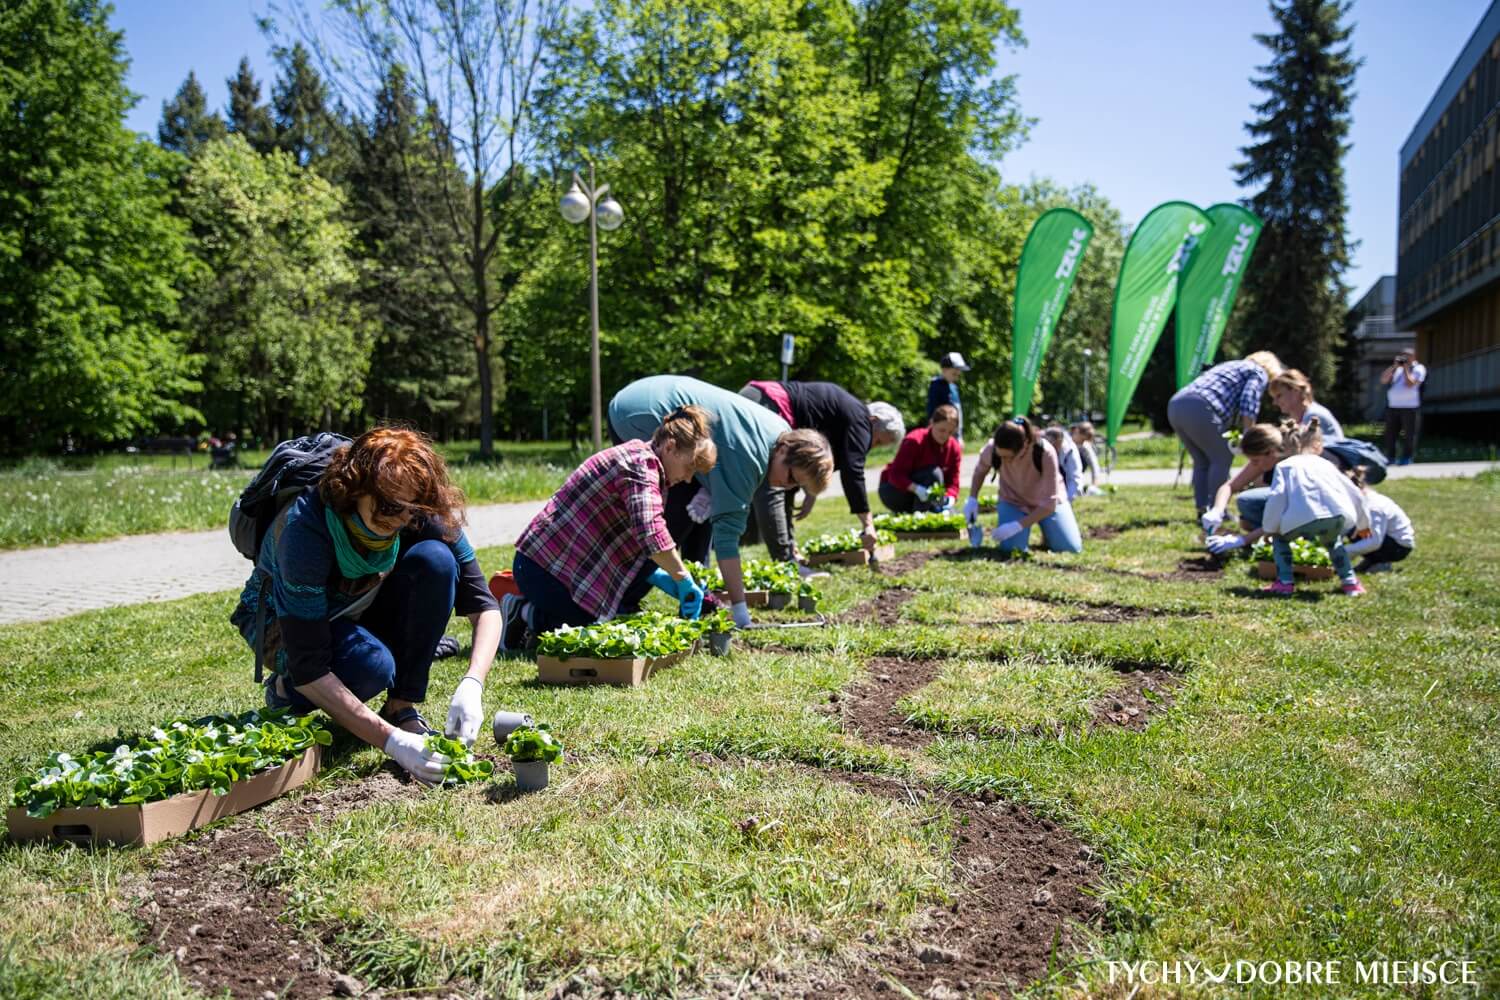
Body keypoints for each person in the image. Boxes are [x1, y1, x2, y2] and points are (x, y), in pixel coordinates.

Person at [231, 428, 501, 786]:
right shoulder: (305, 529)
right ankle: (286, 691)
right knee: (370, 667)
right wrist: (390, 741)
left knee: (436, 560)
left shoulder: (414, 509)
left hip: (357, 604)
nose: (400, 520)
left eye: (411, 509)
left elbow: (485, 606)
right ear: (354, 490)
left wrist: (473, 683)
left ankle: (400, 706)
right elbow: (310, 664)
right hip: (283, 625)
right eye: (388, 507)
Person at [609, 375, 834, 629]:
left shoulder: (780, 432)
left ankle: (697, 598)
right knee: (667, 524)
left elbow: (718, 503)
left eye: (797, 486)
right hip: (637, 413)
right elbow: (726, 542)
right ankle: (623, 603)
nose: (788, 486)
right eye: (791, 477)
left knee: (700, 511)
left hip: (657, 394)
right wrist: (741, 613)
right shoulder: (750, 461)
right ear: (783, 451)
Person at [503, 407, 718, 650]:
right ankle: (522, 613)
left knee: (610, 624)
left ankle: (539, 621)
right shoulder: (640, 465)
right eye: (689, 468)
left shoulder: (647, 464)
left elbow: (638, 541)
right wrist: (682, 578)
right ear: (670, 447)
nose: (689, 479)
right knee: (596, 631)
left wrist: (662, 577)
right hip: (542, 568)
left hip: (560, 568)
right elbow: (651, 532)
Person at [739, 380, 904, 560]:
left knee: (784, 482)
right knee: (772, 484)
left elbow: (808, 463)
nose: (871, 446)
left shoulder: (848, 416)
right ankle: (785, 562)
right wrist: (868, 524)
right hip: (766, 403)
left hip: (758, 396)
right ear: (874, 421)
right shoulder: (861, 420)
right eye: (878, 441)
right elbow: (853, 472)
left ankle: (790, 552)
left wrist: (811, 492)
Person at [1258, 422, 1370, 596]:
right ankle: (1350, 583)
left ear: (1285, 447)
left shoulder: (1285, 466)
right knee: (1334, 543)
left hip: (1299, 518)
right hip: (1335, 516)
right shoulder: (1326, 464)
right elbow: (1355, 493)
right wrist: (1363, 525)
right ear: (1317, 445)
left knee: (1280, 540)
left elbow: (1277, 497)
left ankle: (1285, 583)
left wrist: (1269, 528)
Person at [1167, 350, 1284, 515]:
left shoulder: (1231, 366)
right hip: (1200, 406)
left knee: (1202, 461)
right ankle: (1217, 509)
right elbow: (1248, 400)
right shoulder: (1257, 371)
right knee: (1221, 458)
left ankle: (1202, 508)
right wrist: (1250, 435)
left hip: (1176, 404)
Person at [963, 417, 1083, 555]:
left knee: (1070, 548)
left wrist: (1017, 526)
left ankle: (1049, 533)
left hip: (1047, 504)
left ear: (1025, 445)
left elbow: (1050, 503)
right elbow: (980, 471)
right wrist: (972, 498)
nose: (1004, 461)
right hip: (1013, 501)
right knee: (1011, 549)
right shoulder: (992, 448)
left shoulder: (1044, 452)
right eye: (1000, 456)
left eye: (1008, 457)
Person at [1200, 423, 1289, 555]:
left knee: (1248, 505)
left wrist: (1242, 540)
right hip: (1284, 513)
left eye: (1256, 460)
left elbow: (1281, 516)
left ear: (1271, 452)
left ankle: (1278, 538)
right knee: (1246, 503)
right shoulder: (1269, 456)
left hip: (1304, 516)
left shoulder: (1292, 467)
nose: (1254, 465)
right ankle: (1267, 537)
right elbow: (1230, 486)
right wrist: (1217, 510)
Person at [879, 404, 961, 513]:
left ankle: (930, 512)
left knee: (951, 514)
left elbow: (953, 482)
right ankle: (921, 518)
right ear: (932, 423)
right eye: (942, 430)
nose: (945, 435)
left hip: (926, 494)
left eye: (950, 432)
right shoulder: (915, 441)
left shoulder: (954, 447)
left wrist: (950, 497)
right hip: (894, 491)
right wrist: (917, 489)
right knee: (934, 474)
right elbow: (895, 476)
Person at [1342, 476, 1415, 574]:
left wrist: (1344, 551)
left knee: (1354, 531)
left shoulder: (1373, 506)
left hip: (1398, 547)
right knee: (1352, 528)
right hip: (1387, 541)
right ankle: (1372, 561)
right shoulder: (1364, 501)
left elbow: (1375, 542)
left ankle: (1382, 562)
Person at [1268, 369, 1344, 439]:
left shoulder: (1314, 417)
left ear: (1295, 391)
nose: (1274, 402)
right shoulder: (1304, 416)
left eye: (1279, 396)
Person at [1381, 349, 1426, 465]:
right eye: (1403, 356)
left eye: (1407, 356)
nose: (1405, 358)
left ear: (1414, 356)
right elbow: (1384, 380)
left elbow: (1410, 383)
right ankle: (1391, 457)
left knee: (1409, 434)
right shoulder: (1397, 370)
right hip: (1393, 406)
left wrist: (1406, 368)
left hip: (1410, 407)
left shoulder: (1418, 368)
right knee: (1390, 434)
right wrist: (1394, 367)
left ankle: (1407, 457)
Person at [927, 352, 970, 431]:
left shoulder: (953, 387)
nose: (956, 378)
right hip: (942, 430)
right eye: (954, 374)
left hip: (954, 428)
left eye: (958, 375)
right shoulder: (936, 386)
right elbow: (933, 412)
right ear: (944, 370)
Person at [1043, 425, 1081, 502]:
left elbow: (1074, 478)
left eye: (1054, 445)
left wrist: (1068, 500)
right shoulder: (1042, 446)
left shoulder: (1070, 450)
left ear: (1060, 441)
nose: (1052, 449)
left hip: (1065, 479)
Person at [1070, 421, 1102, 491]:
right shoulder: (1065, 441)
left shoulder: (1085, 446)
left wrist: (1094, 485)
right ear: (1077, 431)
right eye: (1082, 439)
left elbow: (1095, 466)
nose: (1083, 442)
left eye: (1085, 440)